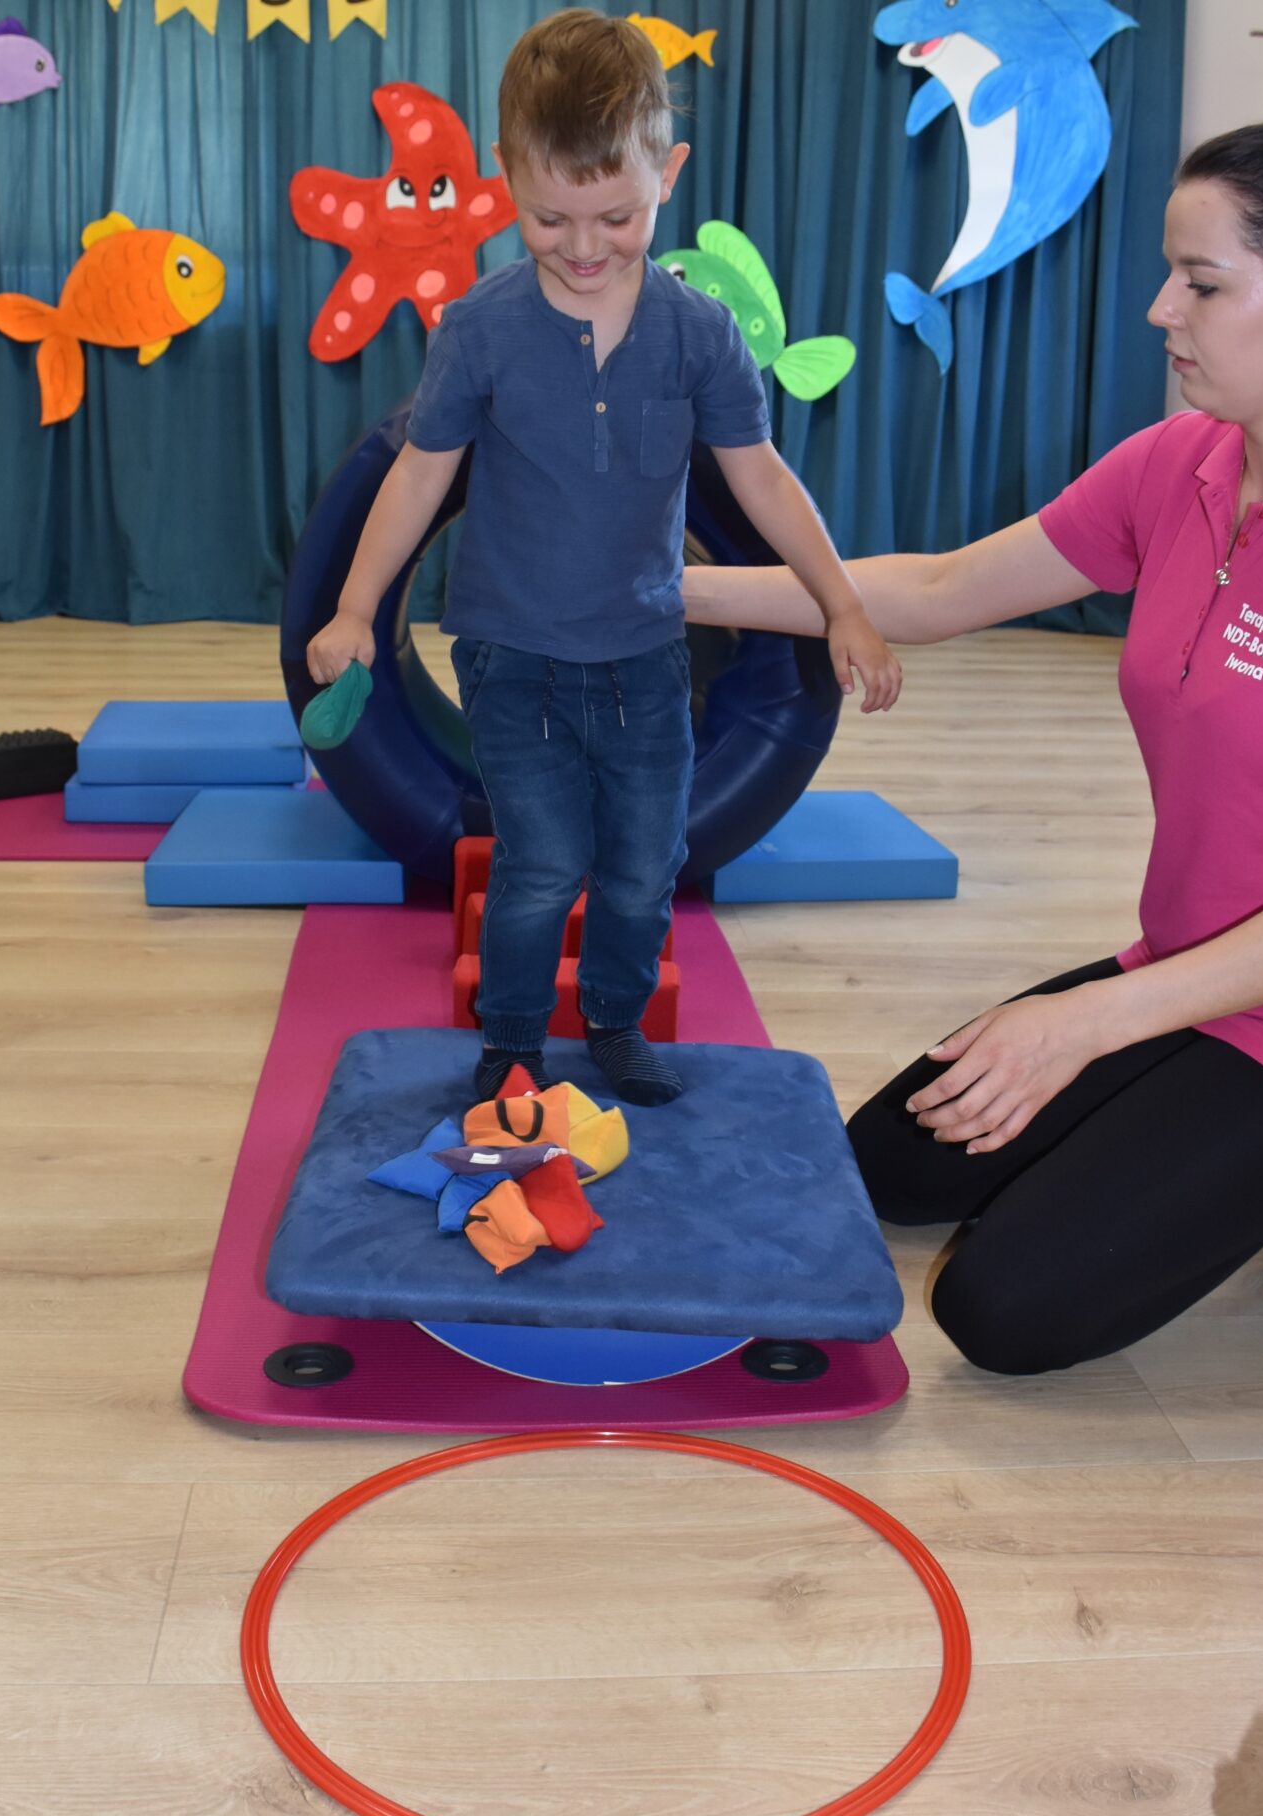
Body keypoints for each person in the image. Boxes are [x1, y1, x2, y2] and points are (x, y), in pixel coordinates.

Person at [684, 121, 1263, 1373]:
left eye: (1201, 284)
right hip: (1189, 970)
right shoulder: (1185, 465)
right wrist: (669, 593)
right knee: (885, 1166)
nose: (1160, 310)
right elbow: (938, 588)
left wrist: (1085, 1023)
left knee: (1000, 1310)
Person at [306, 8, 899, 1107]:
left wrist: (843, 606)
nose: (583, 247)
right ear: (505, 177)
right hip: (511, 655)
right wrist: (352, 609)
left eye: (616, 217)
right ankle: (512, 1041)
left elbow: (763, 479)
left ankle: (616, 1024)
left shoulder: (699, 334)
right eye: (549, 219)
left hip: (642, 654)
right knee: (539, 865)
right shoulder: (479, 329)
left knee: (642, 865)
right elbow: (420, 475)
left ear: (667, 174)